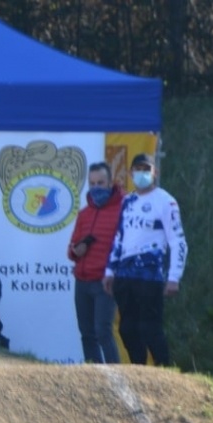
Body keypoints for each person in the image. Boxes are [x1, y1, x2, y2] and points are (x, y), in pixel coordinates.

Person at [102, 153, 187, 367]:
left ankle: (165, 369)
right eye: (137, 169)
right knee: (127, 328)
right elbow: (119, 237)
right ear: (131, 173)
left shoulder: (166, 202)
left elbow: (178, 241)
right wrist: (110, 272)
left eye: (146, 169)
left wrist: (174, 277)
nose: (141, 173)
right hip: (124, 274)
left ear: (154, 172)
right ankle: (138, 371)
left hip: (150, 275)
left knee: (149, 327)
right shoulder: (127, 201)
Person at [67, 162, 123, 364]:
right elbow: (71, 249)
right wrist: (76, 250)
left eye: (100, 182)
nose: (96, 187)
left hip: (105, 281)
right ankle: (95, 376)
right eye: (92, 183)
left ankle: (116, 375)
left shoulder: (123, 209)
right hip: (82, 280)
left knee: (103, 331)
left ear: (110, 183)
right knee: (86, 333)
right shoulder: (84, 213)